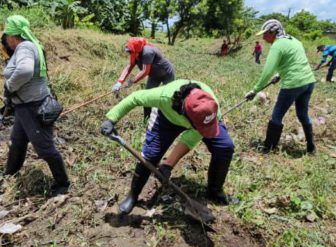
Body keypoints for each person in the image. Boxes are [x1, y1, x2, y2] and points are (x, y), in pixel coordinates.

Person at [100, 79, 238, 215]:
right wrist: (112, 118)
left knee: (224, 147)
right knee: (150, 155)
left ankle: (215, 191)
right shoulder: (163, 96)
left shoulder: (211, 107)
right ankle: (133, 195)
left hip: (202, 123)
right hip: (166, 118)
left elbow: (190, 138)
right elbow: (135, 97)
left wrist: (168, 164)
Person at [2, 15, 70, 196]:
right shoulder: (31, 45)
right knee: (17, 142)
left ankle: (63, 184)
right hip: (24, 107)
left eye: (7, 35)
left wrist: (9, 86)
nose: (6, 40)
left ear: (12, 36)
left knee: (45, 148)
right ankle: (10, 173)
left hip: (33, 107)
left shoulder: (24, 47)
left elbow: (25, 70)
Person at [245, 19, 317, 154]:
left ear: (273, 32)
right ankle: (311, 147)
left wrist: (255, 90)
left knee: (276, 116)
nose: (263, 37)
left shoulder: (277, 45)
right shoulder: (294, 40)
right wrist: (279, 74)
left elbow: (267, 71)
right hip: (308, 82)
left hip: (293, 84)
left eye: (265, 34)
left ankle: (269, 148)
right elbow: (294, 60)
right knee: (303, 114)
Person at [111, 37, 176, 120]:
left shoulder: (147, 52)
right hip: (154, 76)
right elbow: (129, 66)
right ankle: (147, 120)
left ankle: (169, 121)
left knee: (168, 98)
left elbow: (145, 71)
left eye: (130, 50)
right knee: (147, 98)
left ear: (136, 48)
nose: (129, 52)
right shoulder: (135, 52)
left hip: (167, 73)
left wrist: (130, 81)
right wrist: (119, 82)